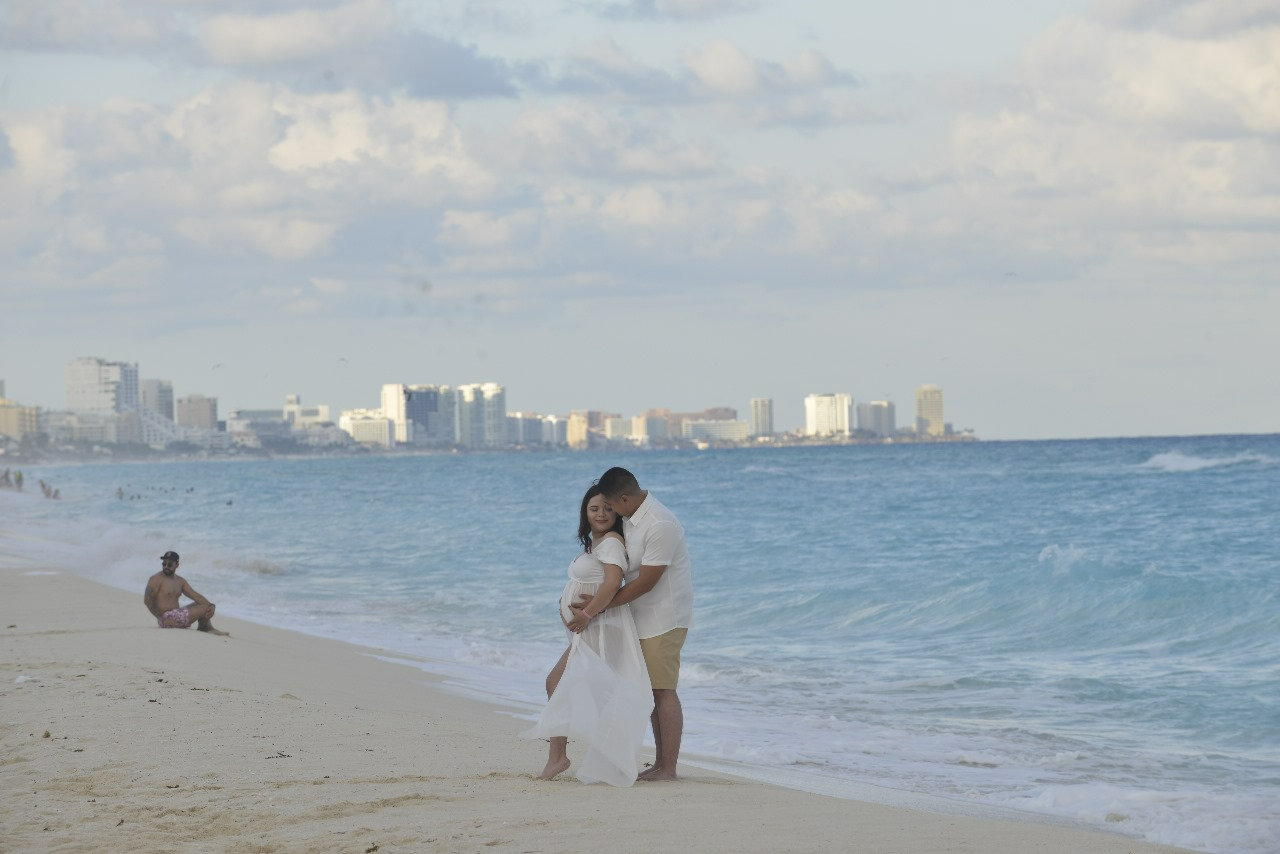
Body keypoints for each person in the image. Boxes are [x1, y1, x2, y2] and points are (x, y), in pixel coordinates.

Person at [522, 484, 653, 786]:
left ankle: (564, 758)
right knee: (595, 692)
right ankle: (595, 757)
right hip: (593, 629)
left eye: (608, 508)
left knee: (562, 683)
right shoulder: (598, 543)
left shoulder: (610, 542)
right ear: (585, 512)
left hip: (600, 628)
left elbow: (612, 583)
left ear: (617, 511)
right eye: (594, 508)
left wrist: (587, 614)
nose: (601, 514)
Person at [575, 467, 693, 781]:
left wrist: (597, 608)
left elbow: (646, 583)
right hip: (638, 616)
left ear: (625, 499)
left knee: (663, 690)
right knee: (650, 691)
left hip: (663, 618)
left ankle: (668, 768)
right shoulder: (631, 518)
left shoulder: (660, 524)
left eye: (613, 506)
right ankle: (658, 763)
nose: (610, 513)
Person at [143, 551, 229, 636]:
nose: (166, 566)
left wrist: (212, 606)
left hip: (176, 614)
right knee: (205, 607)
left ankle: (206, 627)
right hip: (168, 619)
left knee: (204, 604)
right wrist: (161, 618)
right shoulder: (156, 579)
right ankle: (206, 628)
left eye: (169, 564)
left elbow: (197, 596)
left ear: (177, 565)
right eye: (164, 564)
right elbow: (147, 599)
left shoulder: (180, 581)